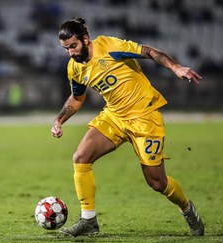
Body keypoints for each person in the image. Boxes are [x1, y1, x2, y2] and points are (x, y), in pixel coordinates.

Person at [51, 17, 204, 237]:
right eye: (66, 49)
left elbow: (150, 51)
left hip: (145, 118)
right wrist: (59, 120)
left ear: (86, 39)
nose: (71, 53)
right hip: (115, 117)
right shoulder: (74, 68)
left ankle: (187, 210)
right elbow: (77, 98)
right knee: (81, 157)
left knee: (157, 182)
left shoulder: (110, 46)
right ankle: (88, 220)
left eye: (73, 46)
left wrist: (176, 67)